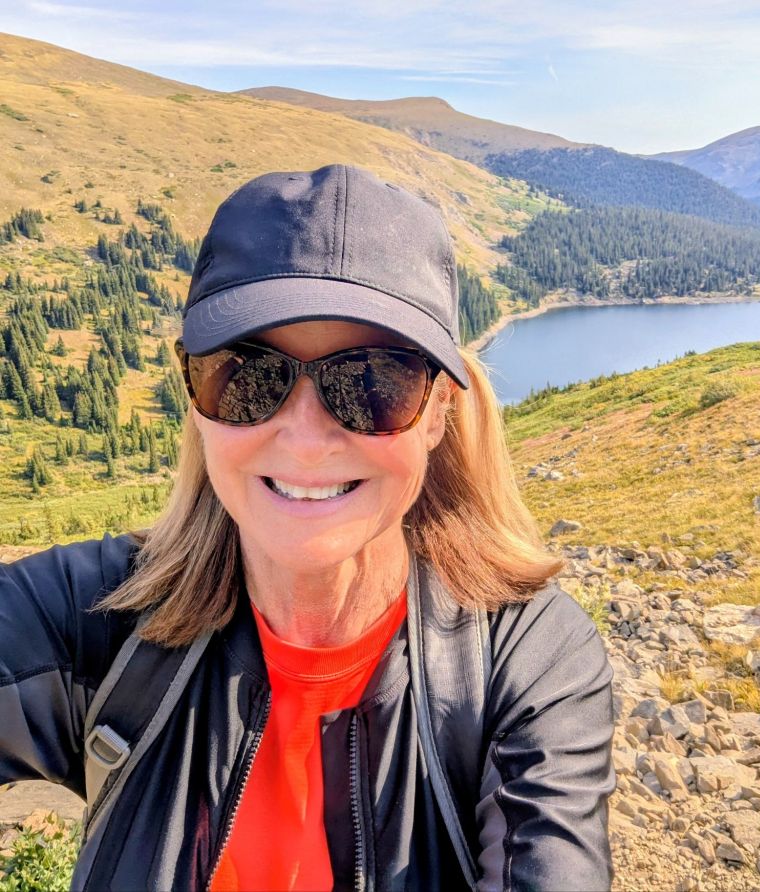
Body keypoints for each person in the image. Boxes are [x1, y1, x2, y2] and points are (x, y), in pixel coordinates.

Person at [0, 165, 615, 890]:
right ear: (193, 392)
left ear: (439, 411)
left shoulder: (527, 661)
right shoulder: (94, 616)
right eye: (246, 374)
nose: (306, 439)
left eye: (373, 382)